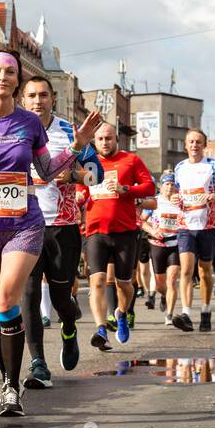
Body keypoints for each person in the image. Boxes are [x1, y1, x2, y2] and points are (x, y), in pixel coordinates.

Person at [0, 47, 101, 416]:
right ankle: (6, 378)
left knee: (8, 299)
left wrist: (77, 145)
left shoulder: (29, 123)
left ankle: (13, 388)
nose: (3, 77)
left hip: (24, 224)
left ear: (16, 80)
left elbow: (44, 170)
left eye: (10, 72)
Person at [19, 75, 101, 387]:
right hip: (24, 225)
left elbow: (96, 176)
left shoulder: (70, 132)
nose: (37, 101)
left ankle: (69, 324)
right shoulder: (14, 130)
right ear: (23, 100)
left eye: (43, 95)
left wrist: (76, 176)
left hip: (63, 227)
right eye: (31, 96)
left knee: (59, 294)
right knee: (28, 292)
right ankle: (38, 362)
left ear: (53, 99)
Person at [82, 123, 153, 352]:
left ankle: (121, 313)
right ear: (95, 141)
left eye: (109, 138)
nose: (105, 143)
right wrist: (78, 197)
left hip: (124, 232)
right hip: (95, 231)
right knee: (98, 281)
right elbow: (82, 190)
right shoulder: (89, 162)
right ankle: (101, 329)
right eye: (100, 139)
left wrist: (126, 190)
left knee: (125, 284)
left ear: (117, 140)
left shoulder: (131, 160)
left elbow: (149, 187)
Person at [165, 130, 215, 332]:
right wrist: (175, 198)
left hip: (207, 225)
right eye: (191, 142)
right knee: (186, 270)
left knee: (204, 271)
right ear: (185, 146)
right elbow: (178, 194)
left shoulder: (213, 166)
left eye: (198, 142)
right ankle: (186, 313)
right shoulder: (179, 167)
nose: (194, 145)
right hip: (185, 226)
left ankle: (206, 311)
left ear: (204, 145)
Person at [140, 179, 182, 326]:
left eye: (172, 184)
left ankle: (169, 315)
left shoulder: (180, 202)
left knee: (172, 279)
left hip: (175, 244)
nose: (170, 187)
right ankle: (164, 296)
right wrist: (152, 230)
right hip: (157, 244)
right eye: (167, 184)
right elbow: (141, 221)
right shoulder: (154, 202)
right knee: (159, 285)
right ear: (161, 186)